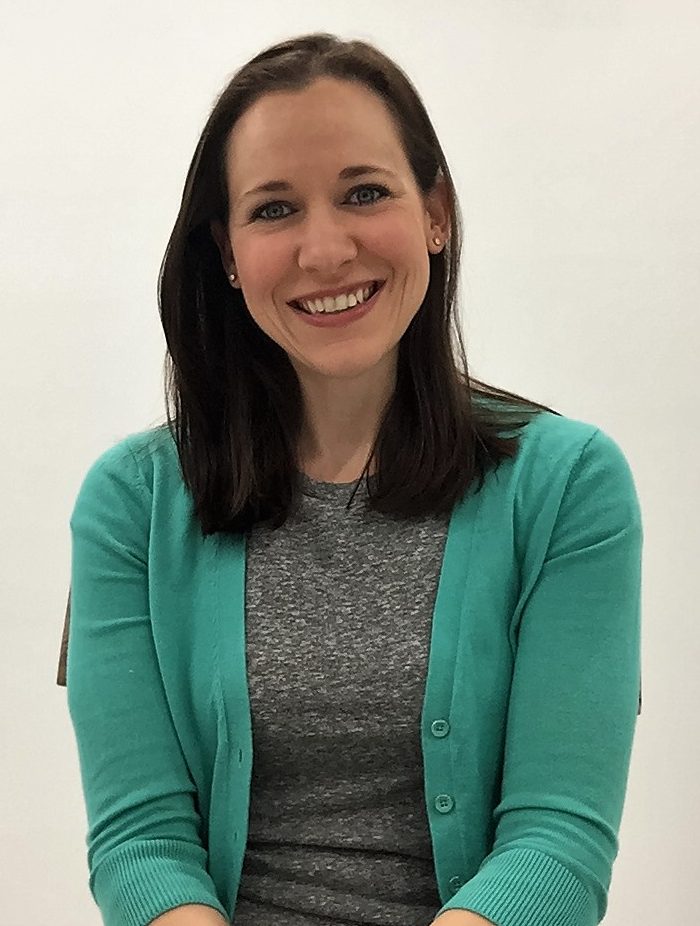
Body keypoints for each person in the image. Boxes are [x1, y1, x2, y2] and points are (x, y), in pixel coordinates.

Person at [62, 32, 643, 926]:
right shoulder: (130, 503)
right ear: (226, 250)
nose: (326, 251)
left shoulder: (568, 485)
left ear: (435, 212)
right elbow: (141, 846)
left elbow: (557, 847)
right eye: (273, 210)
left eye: (364, 193)